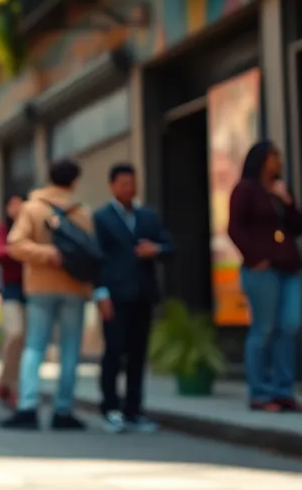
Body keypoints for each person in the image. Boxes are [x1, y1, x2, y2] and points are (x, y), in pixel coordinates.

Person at [2, 158, 94, 431]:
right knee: (70, 349)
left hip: (40, 287)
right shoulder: (83, 212)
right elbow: (91, 254)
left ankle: (28, 407)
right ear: (74, 181)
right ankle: (63, 410)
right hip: (74, 287)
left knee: (35, 346)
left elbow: (15, 244)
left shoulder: (32, 208)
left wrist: (44, 254)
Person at [229, 141, 302, 413]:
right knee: (264, 329)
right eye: (274, 156)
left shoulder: (279, 190)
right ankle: (260, 393)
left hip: (288, 268)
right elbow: (234, 228)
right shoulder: (245, 190)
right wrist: (254, 259)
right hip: (262, 270)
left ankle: (284, 391)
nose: (279, 161)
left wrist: (287, 201)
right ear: (262, 159)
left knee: (290, 325)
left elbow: (299, 227)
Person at [93, 163, 172, 432]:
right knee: (114, 352)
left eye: (133, 183)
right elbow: (96, 259)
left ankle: (134, 410)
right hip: (114, 295)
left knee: (138, 354)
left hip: (143, 293)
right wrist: (100, 293)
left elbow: (170, 246)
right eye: (124, 183)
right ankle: (110, 408)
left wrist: (157, 249)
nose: (129, 188)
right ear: (113, 185)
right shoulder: (101, 218)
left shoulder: (148, 216)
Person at [0, 194, 26, 409]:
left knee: (24, 343)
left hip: (33, 289)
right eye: (12, 204)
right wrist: (25, 251)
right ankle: (6, 383)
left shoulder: (33, 227)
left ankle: (11, 387)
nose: (16, 208)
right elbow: (0, 252)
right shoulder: (2, 230)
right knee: (14, 335)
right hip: (11, 289)